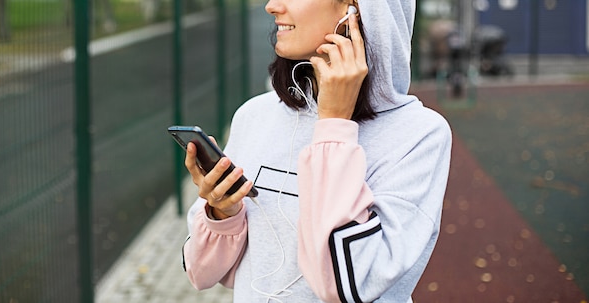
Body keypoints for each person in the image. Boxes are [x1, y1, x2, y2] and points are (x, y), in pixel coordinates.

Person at [181, 0, 452, 302]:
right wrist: (223, 212)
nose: (271, 6)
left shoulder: (419, 135)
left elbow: (347, 283)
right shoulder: (253, 115)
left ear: (355, 8)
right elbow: (201, 272)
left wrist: (334, 125)